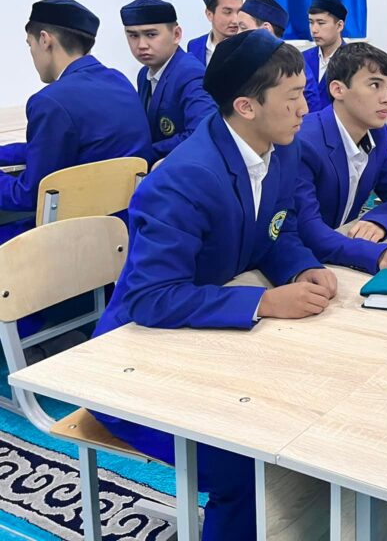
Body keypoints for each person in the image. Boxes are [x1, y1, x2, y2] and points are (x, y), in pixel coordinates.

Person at [92, 30, 338, 540]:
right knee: (250, 465)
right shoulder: (186, 178)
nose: (305, 109)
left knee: (314, 423)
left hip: (205, 343)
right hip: (131, 364)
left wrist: (300, 267)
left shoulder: (280, 148)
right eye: (294, 97)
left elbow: (278, 231)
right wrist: (265, 301)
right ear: (246, 106)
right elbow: (150, 298)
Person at [0, 0, 151, 245]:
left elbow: (28, 195)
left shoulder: (50, 101)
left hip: (71, 240)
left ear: (45, 40)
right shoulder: (119, 82)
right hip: (122, 232)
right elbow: (55, 149)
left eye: (30, 45)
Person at [296, 43, 387, 273]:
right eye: (375, 85)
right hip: (297, 263)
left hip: (336, 256)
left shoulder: (377, 134)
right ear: (338, 90)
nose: (386, 98)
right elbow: (308, 230)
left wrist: (378, 221)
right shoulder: (304, 142)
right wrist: (375, 253)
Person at [122, 0, 216, 161]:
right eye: (133, 36)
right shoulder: (144, 74)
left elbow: (202, 133)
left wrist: (145, 153)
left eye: (151, 34)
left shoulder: (191, 74)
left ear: (176, 35)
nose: (142, 45)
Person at [303, 0, 346, 112]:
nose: (314, 30)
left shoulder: (354, 61)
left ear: (339, 26)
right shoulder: (301, 59)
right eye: (311, 22)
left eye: (321, 23)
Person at [186, 0, 243, 66]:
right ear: (209, 14)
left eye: (239, 12)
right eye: (227, 12)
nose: (235, 20)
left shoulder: (249, 45)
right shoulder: (195, 46)